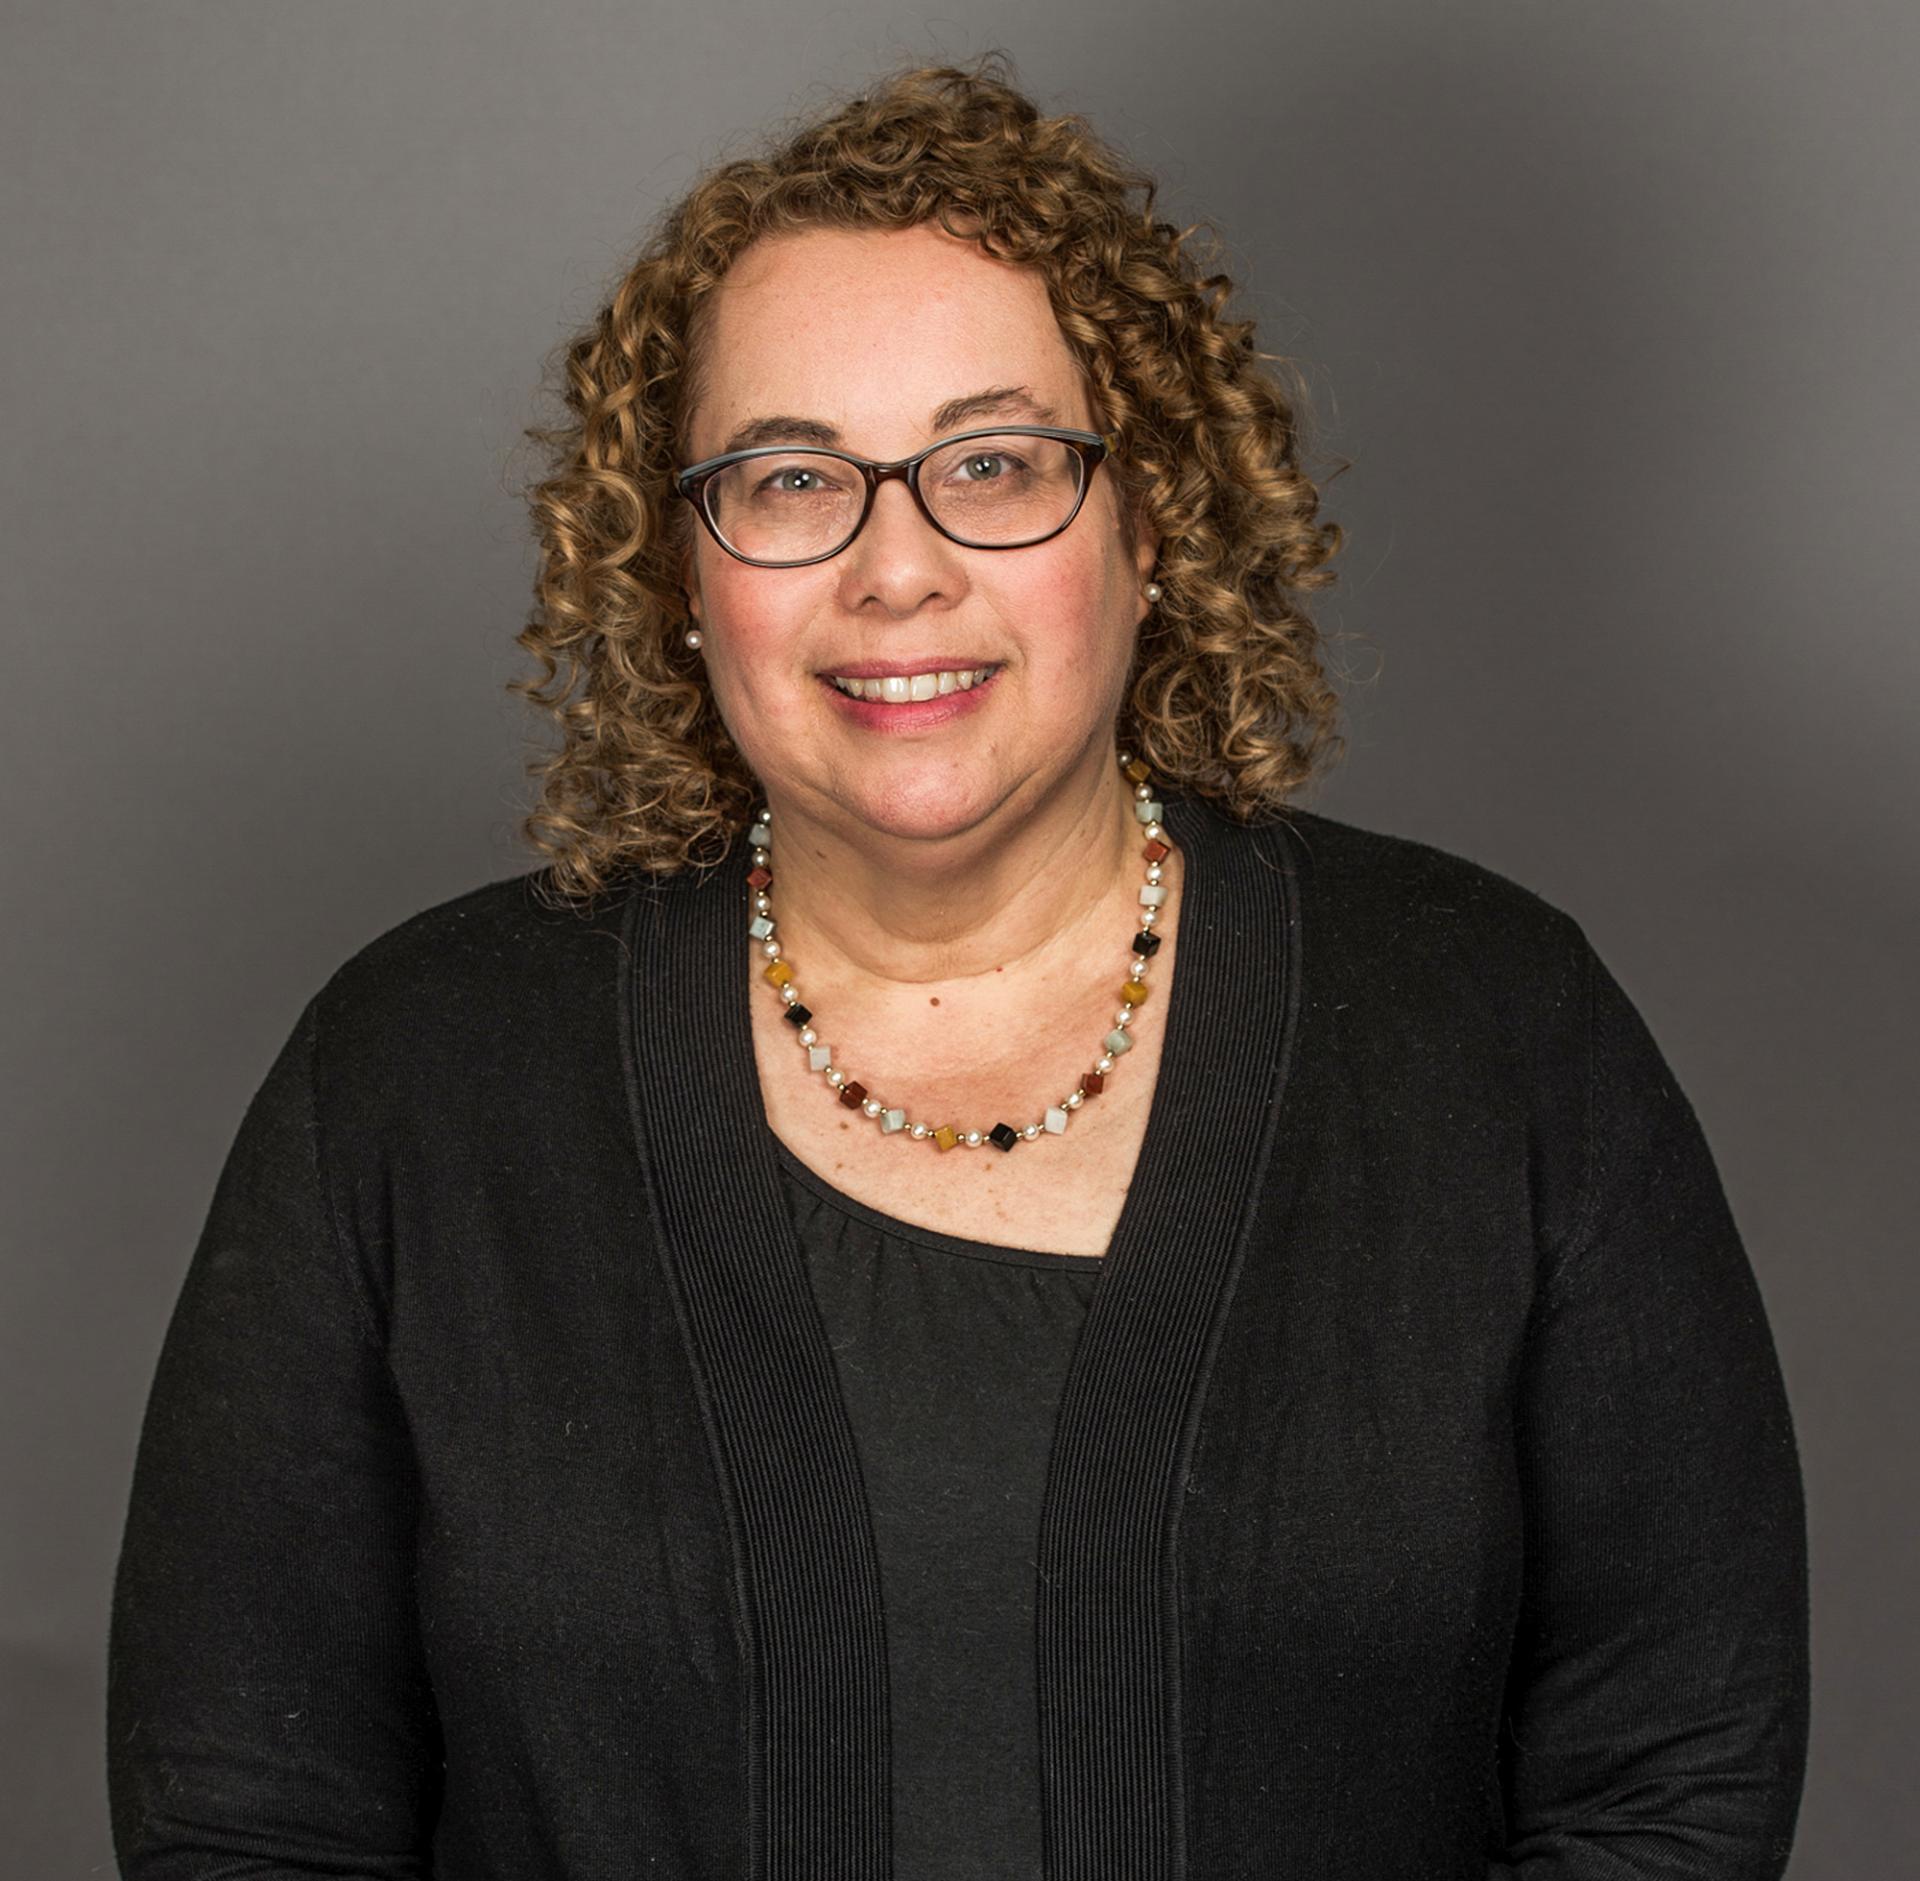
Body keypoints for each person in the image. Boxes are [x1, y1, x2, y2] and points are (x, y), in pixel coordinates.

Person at [106, 55, 1809, 1881]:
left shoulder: (1496, 1034)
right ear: (683, 572)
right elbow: (242, 1825)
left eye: (994, 464)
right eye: (787, 479)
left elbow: (1676, 1782)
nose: (895, 569)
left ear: (1149, 525)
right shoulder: (410, 1081)